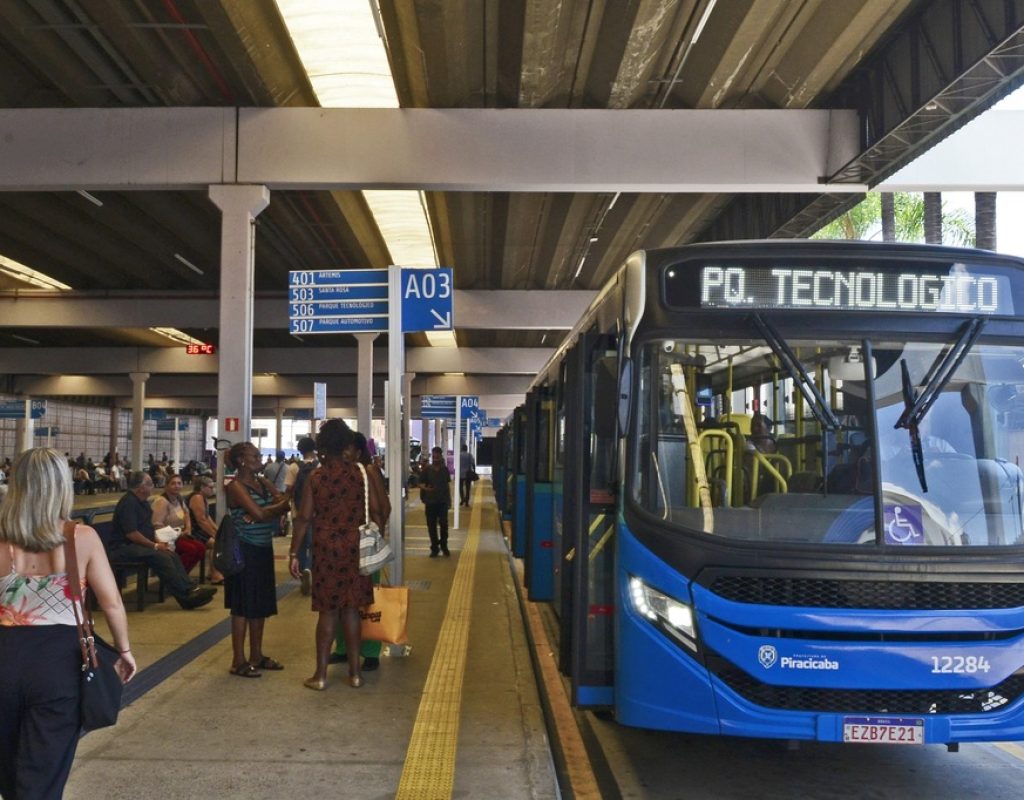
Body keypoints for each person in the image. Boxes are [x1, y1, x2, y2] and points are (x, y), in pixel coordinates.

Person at [0, 448, 136, 800]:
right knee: (43, 776)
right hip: (59, 666)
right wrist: (123, 650)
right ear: (62, 485)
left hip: (4, 659)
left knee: (9, 772)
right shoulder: (82, 537)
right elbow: (111, 602)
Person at [289, 419, 383, 690]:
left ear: (322, 447)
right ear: (346, 444)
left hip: (326, 548)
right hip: (355, 547)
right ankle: (355, 674)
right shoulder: (361, 473)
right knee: (352, 611)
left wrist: (294, 552)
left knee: (328, 614)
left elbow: (304, 517)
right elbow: (376, 509)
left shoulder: (317, 477)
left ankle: (320, 676)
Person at [224, 441, 292, 678]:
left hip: (263, 548)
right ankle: (238, 659)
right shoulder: (235, 487)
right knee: (242, 605)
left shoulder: (262, 482)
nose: (260, 458)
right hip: (244, 549)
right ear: (242, 460)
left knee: (260, 604)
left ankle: (256, 655)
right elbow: (264, 511)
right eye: (255, 455)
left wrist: (265, 513)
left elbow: (284, 502)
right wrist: (265, 513)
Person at [108, 471, 216, 610]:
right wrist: (156, 546)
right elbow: (132, 534)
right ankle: (186, 595)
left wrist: (160, 543)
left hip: (139, 545)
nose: (153, 487)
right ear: (141, 487)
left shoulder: (143, 503)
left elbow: (148, 529)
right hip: (123, 547)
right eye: (150, 484)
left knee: (170, 553)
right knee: (160, 556)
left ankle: (189, 591)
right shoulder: (128, 503)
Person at [330, 431, 391, 671]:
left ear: (358, 450)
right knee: (341, 600)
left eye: (348, 448)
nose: (343, 453)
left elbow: (382, 507)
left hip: (363, 545)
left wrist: (375, 534)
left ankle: (370, 652)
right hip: (341, 547)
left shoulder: (368, 471)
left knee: (365, 600)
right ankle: (343, 648)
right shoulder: (338, 473)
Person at [151, 473, 205, 575]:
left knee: (201, 548)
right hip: (166, 538)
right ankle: (175, 577)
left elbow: (187, 513)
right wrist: (175, 534)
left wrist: (188, 528)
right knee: (191, 550)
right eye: (173, 483)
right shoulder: (162, 502)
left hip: (179, 535)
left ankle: (183, 574)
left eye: (179, 483)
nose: (176, 486)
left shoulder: (179, 498)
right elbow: (157, 525)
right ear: (166, 486)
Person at [291, 436, 320, 596]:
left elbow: (288, 491)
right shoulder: (320, 465)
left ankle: (302, 571)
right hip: (316, 512)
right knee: (314, 543)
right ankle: (310, 567)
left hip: (298, 512)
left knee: (300, 543)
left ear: (300, 449)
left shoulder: (294, 467)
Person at [188, 474, 223, 584]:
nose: (213, 490)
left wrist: (218, 531)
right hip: (193, 531)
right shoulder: (197, 497)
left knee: (219, 541)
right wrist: (214, 534)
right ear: (202, 488)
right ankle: (215, 575)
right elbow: (201, 520)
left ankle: (212, 572)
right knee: (216, 544)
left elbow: (208, 518)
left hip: (199, 529)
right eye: (210, 487)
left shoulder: (203, 498)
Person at [421, 446, 452, 557]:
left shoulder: (445, 470)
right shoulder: (427, 470)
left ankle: (444, 546)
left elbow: (447, 486)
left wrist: (449, 501)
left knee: (444, 525)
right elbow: (419, 483)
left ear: (441, 457)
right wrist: (426, 489)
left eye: (437, 457)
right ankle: (434, 548)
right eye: (433, 457)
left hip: (442, 502)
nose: (435, 459)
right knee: (431, 526)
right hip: (430, 503)